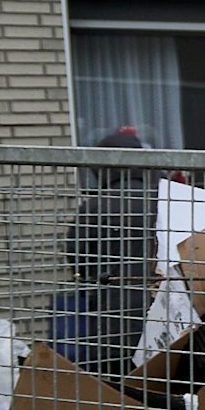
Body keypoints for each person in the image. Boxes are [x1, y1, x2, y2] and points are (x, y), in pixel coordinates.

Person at [49, 126, 156, 381]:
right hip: (168, 318)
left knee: (117, 396)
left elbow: (76, 257)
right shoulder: (168, 200)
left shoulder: (94, 208)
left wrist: (96, 287)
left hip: (112, 323)